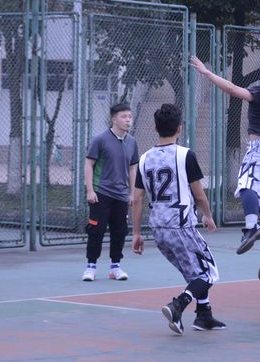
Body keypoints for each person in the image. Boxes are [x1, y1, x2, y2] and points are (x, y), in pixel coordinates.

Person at [191, 53, 260, 282]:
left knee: (246, 187)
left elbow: (233, 89)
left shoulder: (259, 93)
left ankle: (251, 228)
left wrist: (207, 73)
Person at [132, 103, 226, 335]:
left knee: (194, 272)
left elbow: (136, 199)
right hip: (180, 225)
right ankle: (178, 305)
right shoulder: (185, 155)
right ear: (180, 128)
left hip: (158, 227)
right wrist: (207, 215)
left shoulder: (144, 159)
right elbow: (199, 194)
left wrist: (136, 233)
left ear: (156, 128)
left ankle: (203, 315)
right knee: (208, 272)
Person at [81, 103, 139, 282]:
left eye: (130, 116)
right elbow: (89, 165)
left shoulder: (132, 142)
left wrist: (132, 193)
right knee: (96, 231)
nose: (128, 120)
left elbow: (133, 169)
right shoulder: (100, 139)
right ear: (114, 119)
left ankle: (115, 267)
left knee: (119, 232)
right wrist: (90, 190)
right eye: (124, 116)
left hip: (121, 196)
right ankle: (91, 267)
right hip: (101, 193)